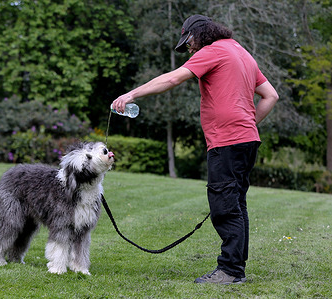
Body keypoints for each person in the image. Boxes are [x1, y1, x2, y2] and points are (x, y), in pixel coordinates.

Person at [111, 14, 279, 285]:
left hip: (228, 141)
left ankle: (230, 270)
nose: (188, 49)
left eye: (188, 42)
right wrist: (246, 123)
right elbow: (271, 96)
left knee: (225, 206)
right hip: (246, 139)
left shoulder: (213, 51)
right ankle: (236, 267)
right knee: (236, 203)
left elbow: (172, 79)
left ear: (200, 33)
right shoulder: (242, 52)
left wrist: (131, 94)